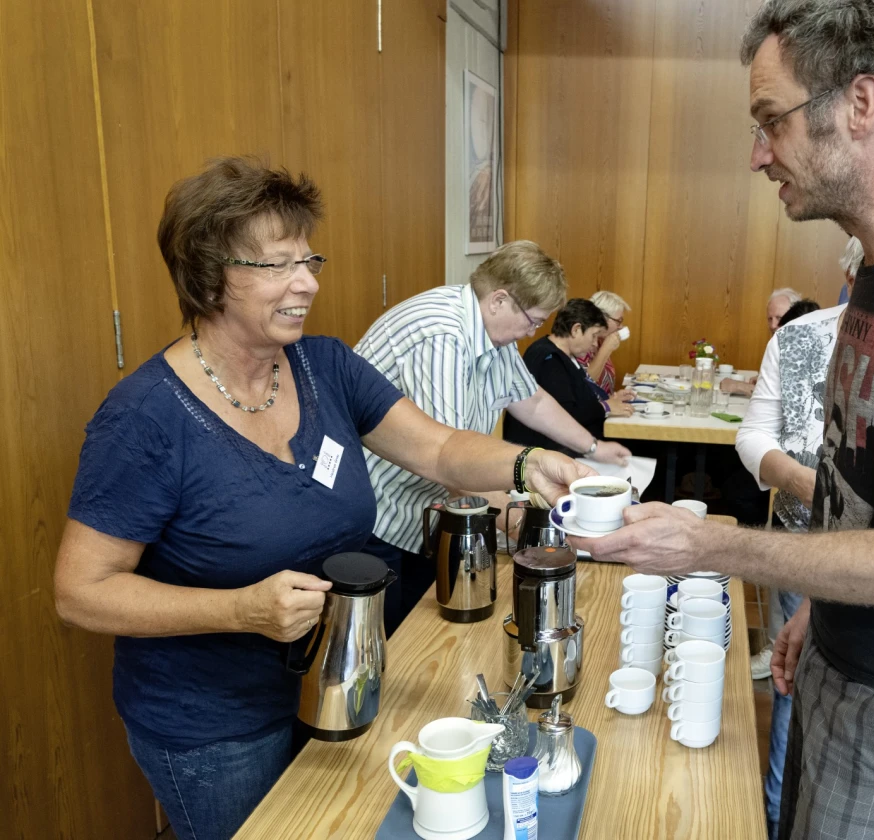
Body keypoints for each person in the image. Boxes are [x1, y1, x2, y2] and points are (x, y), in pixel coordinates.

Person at [572, 2, 874, 837]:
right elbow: (860, 485)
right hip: (844, 641)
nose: (760, 154)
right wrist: (819, 611)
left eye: (771, 121)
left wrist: (712, 546)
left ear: (860, 104)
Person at [52, 158, 590, 840]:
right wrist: (240, 610)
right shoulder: (145, 418)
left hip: (336, 687)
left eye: (308, 259)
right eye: (278, 265)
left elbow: (438, 448)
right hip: (215, 729)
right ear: (211, 274)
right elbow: (80, 592)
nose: (308, 281)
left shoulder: (324, 365)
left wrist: (526, 462)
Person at [355, 242, 631, 632]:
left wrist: (593, 446)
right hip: (378, 512)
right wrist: (522, 523)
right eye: (532, 321)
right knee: (394, 640)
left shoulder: (492, 331)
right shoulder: (442, 335)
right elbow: (450, 464)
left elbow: (531, 400)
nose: (533, 332)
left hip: (423, 509)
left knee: (426, 626)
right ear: (500, 300)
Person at [737, 278, 852, 837]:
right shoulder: (801, 335)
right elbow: (752, 437)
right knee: (793, 681)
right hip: (801, 536)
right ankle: (779, 815)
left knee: (851, 697)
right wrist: (807, 485)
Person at [504, 299, 632, 454]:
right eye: (593, 336)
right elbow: (565, 415)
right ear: (576, 329)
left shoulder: (566, 355)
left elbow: (579, 396)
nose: (594, 344)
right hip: (549, 452)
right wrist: (605, 407)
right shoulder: (548, 359)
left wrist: (609, 399)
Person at [574, 290, 633, 398]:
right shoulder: (581, 342)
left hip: (605, 409)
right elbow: (586, 384)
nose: (620, 326)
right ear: (602, 317)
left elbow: (602, 389)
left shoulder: (601, 340)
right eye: (618, 321)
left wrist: (614, 397)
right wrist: (606, 349)